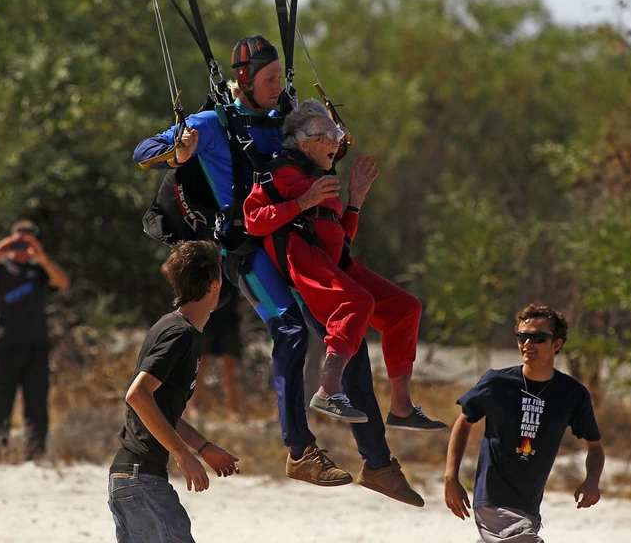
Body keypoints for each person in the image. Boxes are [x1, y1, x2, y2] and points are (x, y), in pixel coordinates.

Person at [133, 35, 425, 506]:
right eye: (268, 79)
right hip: (246, 250)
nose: (277, 87)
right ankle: (300, 451)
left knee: (346, 334)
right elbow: (143, 151)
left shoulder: (282, 117)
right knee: (289, 331)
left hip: (294, 243)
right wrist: (178, 151)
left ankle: (378, 464)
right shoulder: (210, 123)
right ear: (244, 79)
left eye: (279, 78)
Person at [243, 99, 448, 433]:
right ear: (304, 142)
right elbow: (253, 221)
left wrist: (355, 202)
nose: (337, 143)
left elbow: (341, 237)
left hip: (332, 260)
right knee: (357, 302)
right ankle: (328, 390)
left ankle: (401, 407)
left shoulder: (320, 178)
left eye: (337, 136)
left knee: (405, 309)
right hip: (300, 256)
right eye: (328, 136)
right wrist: (302, 202)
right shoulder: (279, 172)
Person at [108, 240, 240, 543]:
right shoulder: (179, 333)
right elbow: (137, 395)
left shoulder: (178, 329)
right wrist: (182, 454)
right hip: (141, 481)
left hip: (133, 479)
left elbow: (161, 409)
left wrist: (203, 447)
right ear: (214, 283)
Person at [444, 304, 605, 542]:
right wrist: (451, 478)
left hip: (529, 506)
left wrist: (592, 481)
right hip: (492, 499)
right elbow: (464, 422)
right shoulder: (497, 382)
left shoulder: (572, 393)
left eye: (538, 338)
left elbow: (595, 447)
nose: (528, 344)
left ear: (556, 344)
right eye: (522, 337)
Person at [0, 220, 71, 460]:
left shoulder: (38, 270)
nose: (22, 248)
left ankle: (35, 456)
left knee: (37, 405)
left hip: (35, 346)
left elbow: (63, 282)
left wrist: (42, 257)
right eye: (18, 242)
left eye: (27, 242)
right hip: (1, 346)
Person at [189, 291, 244, 421]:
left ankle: (232, 408)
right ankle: (193, 405)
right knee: (201, 362)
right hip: (207, 317)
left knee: (229, 364)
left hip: (229, 318)